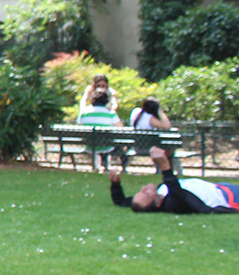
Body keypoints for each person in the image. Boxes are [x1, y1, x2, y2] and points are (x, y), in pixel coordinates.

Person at [109, 148, 239, 213]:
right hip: (228, 197)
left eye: (140, 191)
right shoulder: (173, 204)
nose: (144, 188)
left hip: (219, 187)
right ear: (158, 202)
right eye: (146, 193)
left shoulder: (160, 193)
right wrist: (165, 166)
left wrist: (115, 184)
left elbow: (121, 201)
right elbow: (176, 190)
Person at [75, 88, 121, 172]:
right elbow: (120, 128)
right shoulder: (110, 113)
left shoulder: (84, 112)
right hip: (107, 144)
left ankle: (97, 165)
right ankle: (107, 165)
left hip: (89, 143)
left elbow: (79, 125)